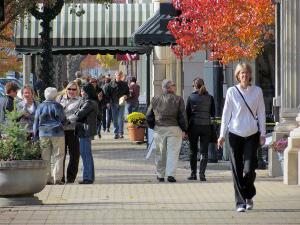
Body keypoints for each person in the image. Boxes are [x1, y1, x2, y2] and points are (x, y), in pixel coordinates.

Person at [217, 62, 266, 212]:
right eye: (241, 73)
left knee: (249, 169)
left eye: (246, 73)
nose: (244, 75)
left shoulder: (257, 91)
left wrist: (262, 133)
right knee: (236, 169)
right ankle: (240, 203)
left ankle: (249, 194)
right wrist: (221, 135)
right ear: (237, 76)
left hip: (251, 133)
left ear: (250, 75)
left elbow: (262, 112)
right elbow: (226, 114)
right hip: (235, 133)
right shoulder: (232, 91)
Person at [146, 79, 188, 183]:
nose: (175, 87)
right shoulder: (178, 99)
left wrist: (153, 126)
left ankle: (160, 174)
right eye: (174, 85)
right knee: (173, 152)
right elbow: (182, 116)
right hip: (174, 128)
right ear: (168, 88)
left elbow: (149, 115)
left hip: (159, 128)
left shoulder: (155, 99)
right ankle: (170, 175)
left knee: (160, 152)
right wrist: (184, 129)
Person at [33, 87, 66, 185]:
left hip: (43, 133)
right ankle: (57, 178)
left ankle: (47, 178)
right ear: (55, 96)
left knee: (45, 156)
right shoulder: (58, 106)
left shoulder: (40, 106)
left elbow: (36, 122)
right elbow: (63, 120)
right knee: (58, 155)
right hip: (57, 133)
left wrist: (35, 134)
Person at [186, 78, 215, 181]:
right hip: (206, 126)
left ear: (194, 86)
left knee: (193, 151)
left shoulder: (191, 97)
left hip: (193, 126)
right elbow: (213, 113)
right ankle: (202, 174)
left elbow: (187, 114)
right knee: (204, 152)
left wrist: (185, 130)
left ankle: (193, 174)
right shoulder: (210, 98)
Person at [57, 81, 81, 183]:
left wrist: (68, 120)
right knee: (61, 154)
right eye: (69, 89)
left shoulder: (80, 100)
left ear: (77, 90)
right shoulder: (60, 99)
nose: (71, 91)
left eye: (74, 89)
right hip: (60, 130)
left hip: (73, 130)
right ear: (66, 89)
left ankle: (71, 177)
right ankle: (60, 177)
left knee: (74, 155)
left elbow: (79, 113)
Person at [74, 83, 98, 184]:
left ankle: (87, 177)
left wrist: (76, 111)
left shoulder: (89, 103)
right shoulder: (92, 102)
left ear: (87, 92)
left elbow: (79, 114)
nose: (81, 93)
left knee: (85, 154)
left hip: (85, 131)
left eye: (83, 91)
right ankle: (89, 176)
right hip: (86, 130)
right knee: (87, 154)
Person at [106, 71, 129, 139]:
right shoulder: (110, 84)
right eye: (117, 75)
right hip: (113, 103)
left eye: (120, 75)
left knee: (121, 118)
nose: (118, 76)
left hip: (121, 103)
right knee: (115, 119)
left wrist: (126, 96)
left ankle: (121, 133)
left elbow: (128, 93)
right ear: (115, 76)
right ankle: (116, 133)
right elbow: (107, 95)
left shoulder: (124, 84)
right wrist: (108, 102)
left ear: (121, 76)